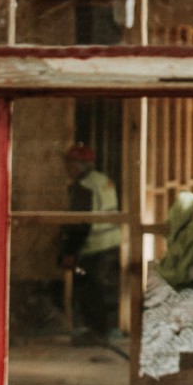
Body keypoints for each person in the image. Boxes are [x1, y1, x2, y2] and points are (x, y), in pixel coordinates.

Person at [59, 141, 122, 342]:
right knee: (103, 292)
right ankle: (104, 331)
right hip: (112, 244)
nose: (67, 169)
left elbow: (81, 224)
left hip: (94, 248)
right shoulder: (103, 180)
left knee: (90, 291)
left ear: (78, 165)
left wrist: (70, 252)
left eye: (69, 164)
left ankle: (95, 333)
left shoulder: (83, 187)